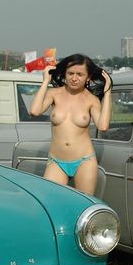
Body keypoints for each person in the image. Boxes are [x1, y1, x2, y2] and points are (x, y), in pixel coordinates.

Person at [29, 54, 112, 195]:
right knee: (50, 200)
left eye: (80, 74)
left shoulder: (92, 100)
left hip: (85, 161)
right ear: (64, 74)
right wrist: (45, 82)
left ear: (88, 77)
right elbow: (34, 111)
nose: (74, 78)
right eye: (70, 73)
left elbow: (103, 126)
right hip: (56, 161)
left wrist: (108, 92)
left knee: (83, 203)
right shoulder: (53, 94)